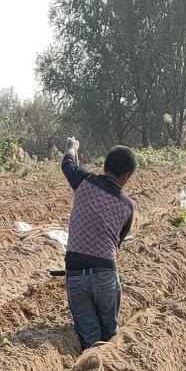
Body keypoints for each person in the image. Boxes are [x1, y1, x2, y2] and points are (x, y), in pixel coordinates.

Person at [60, 137, 137, 351]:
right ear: (126, 176)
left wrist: (73, 146)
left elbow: (68, 163)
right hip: (105, 274)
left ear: (105, 166)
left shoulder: (84, 181)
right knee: (110, 334)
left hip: (75, 273)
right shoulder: (127, 206)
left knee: (90, 339)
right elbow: (117, 242)